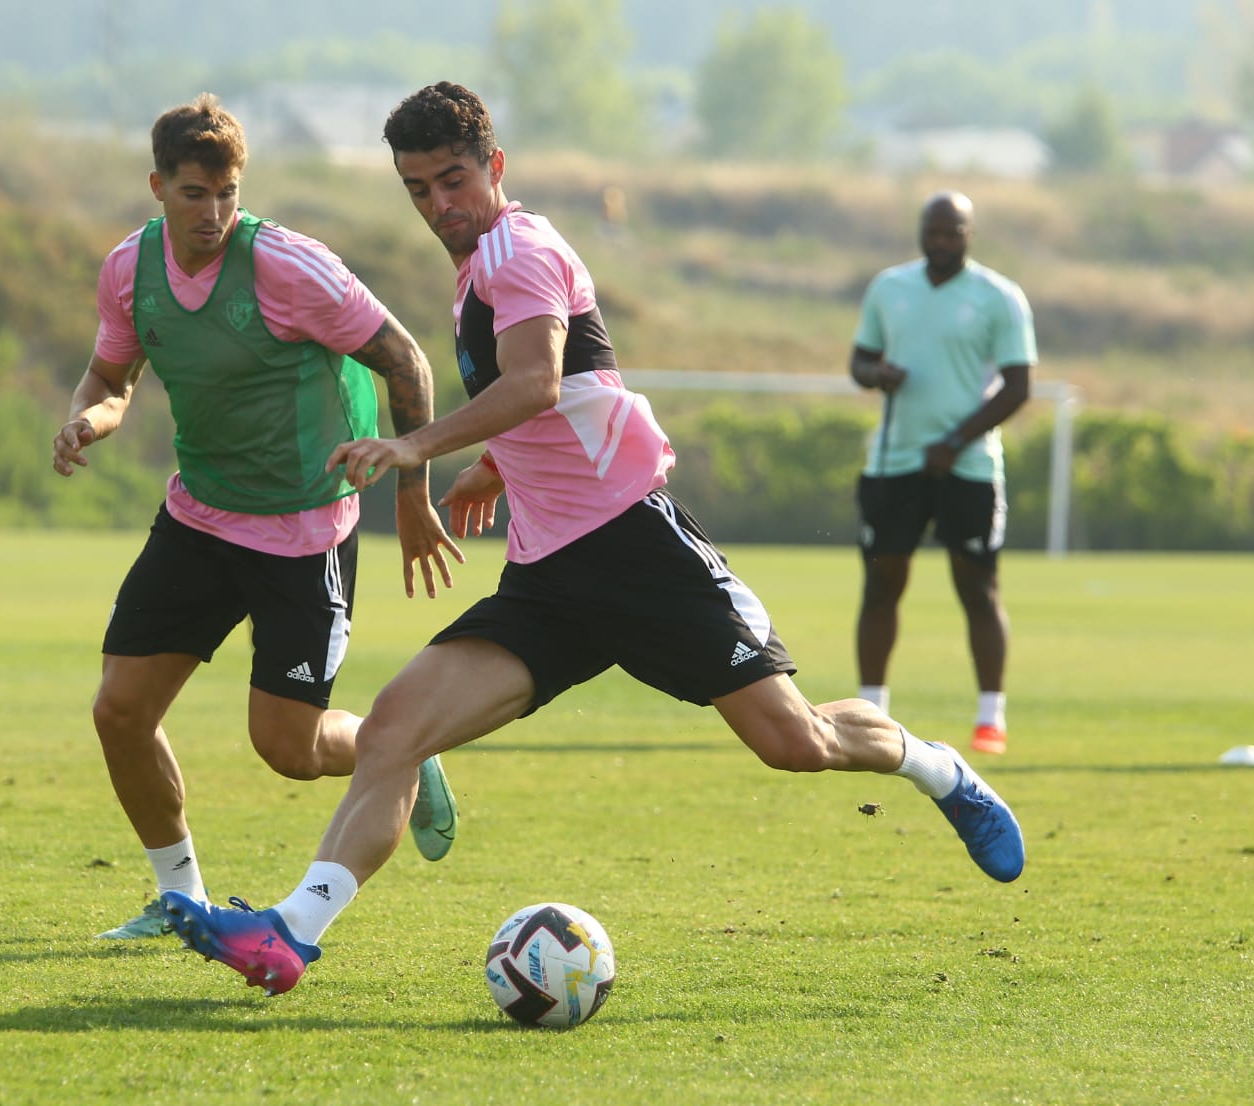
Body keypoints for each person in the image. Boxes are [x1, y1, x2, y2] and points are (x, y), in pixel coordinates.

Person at [157, 82, 1025, 997]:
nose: (437, 205)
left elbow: (535, 381)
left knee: (795, 742)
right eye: (417, 189)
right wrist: (499, 467)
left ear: (494, 168)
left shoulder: (520, 251)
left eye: (452, 180)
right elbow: (575, 393)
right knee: (394, 731)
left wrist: (416, 442)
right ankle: (292, 934)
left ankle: (940, 768)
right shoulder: (477, 268)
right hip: (551, 579)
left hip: (638, 554)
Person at [50, 92, 465, 941]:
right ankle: (180, 898)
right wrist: (89, 418)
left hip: (305, 529)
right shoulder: (129, 270)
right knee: (119, 712)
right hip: (201, 515)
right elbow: (112, 379)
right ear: (158, 186)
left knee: (289, 749)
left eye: (227, 193)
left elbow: (404, 360)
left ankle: (403, 755)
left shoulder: (289, 266)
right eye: (195, 193)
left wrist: (412, 489)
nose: (213, 213)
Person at [848, 191, 1036, 757]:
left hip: (969, 467)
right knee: (882, 584)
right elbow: (858, 361)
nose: (942, 239)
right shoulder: (889, 287)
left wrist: (956, 442)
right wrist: (877, 372)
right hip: (895, 459)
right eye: (934, 229)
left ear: (970, 234)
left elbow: (1019, 385)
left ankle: (989, 718)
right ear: (921, 230)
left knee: (977, 588)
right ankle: (871, 711)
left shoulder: (998, 297)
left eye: (953, 231)